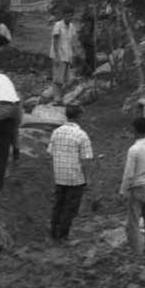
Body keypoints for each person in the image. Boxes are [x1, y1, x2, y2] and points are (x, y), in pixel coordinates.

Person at [47, 104, 93, 242]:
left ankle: (54, 232)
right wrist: (88, 178)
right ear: (79, 116)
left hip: (60, 176)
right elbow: (86, 160)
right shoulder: (81, 135)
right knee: (70, 207)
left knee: (58, 204)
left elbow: (50, 152)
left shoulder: (56, 132)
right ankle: (63, 235)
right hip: (75, 178)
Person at [119, 117, 145, 258]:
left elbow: (129, 173)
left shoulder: (134, 149)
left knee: (133, 221)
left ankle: (136, 252)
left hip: (137, 187)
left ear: (134, 130)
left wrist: (123, 190)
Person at [51, 6, 78, 87]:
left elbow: (73, 41)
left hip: (68, 54)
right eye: (68, 15)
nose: (69, 17)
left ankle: (63, 96)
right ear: (64, 15)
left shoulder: (72, 26)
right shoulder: (58, 25)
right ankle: (56, 97)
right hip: (59, 55)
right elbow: (55, 41)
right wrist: (56, 56)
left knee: (66, 78)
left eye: (71, 16)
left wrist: (74, 54)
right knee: (58, 79)